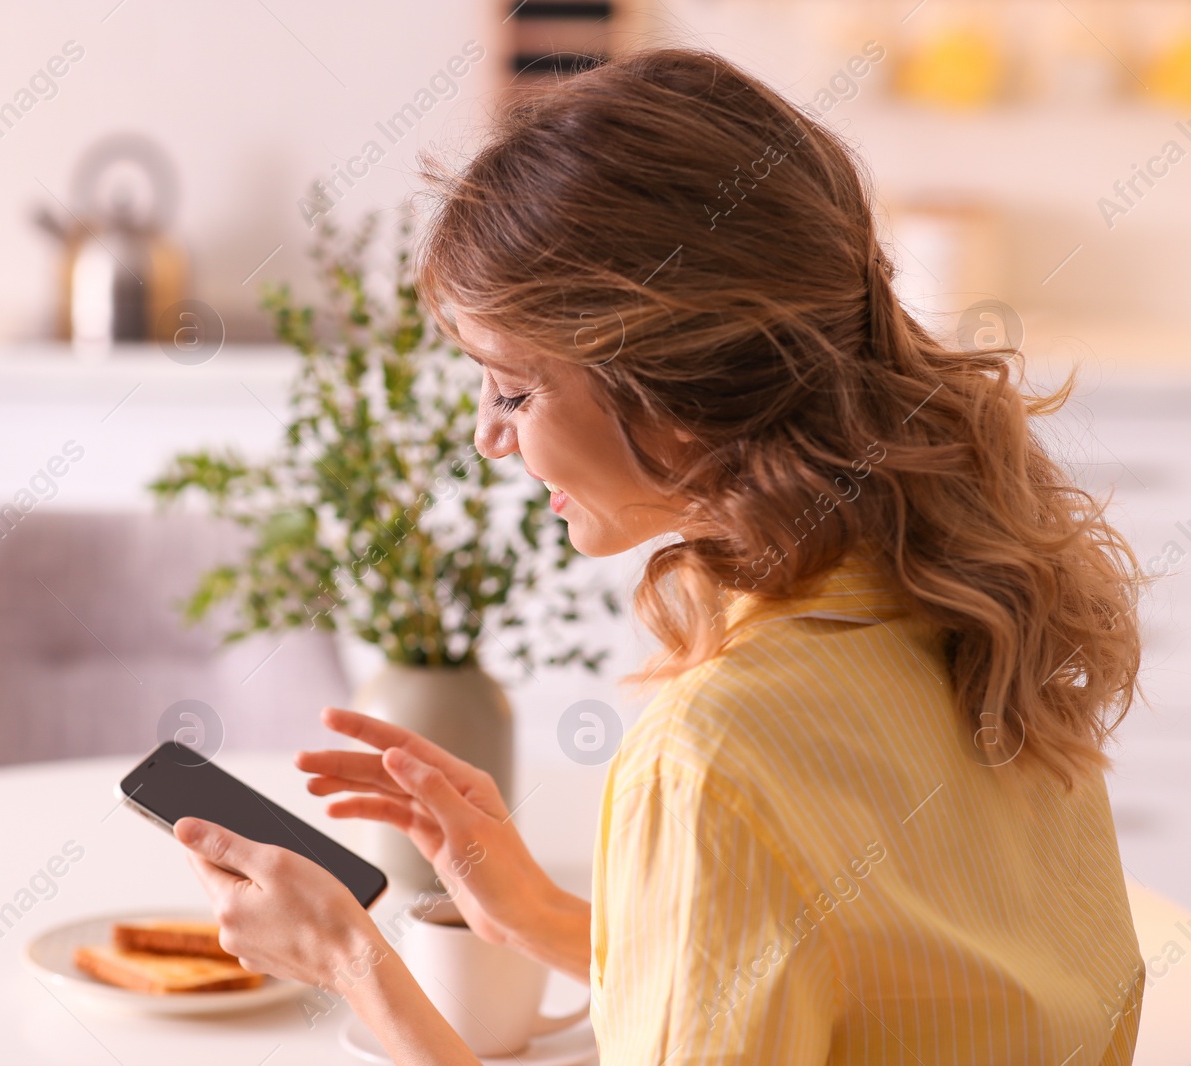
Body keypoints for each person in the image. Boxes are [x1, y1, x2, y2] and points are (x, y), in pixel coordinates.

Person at [173, 47, 1146, 1065]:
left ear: (672, 393)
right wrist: (537, 913)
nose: (486, 437)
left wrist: (350, 961)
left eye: (512, 389)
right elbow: (877, 990)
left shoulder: (711, 755)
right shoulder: (981, 617)